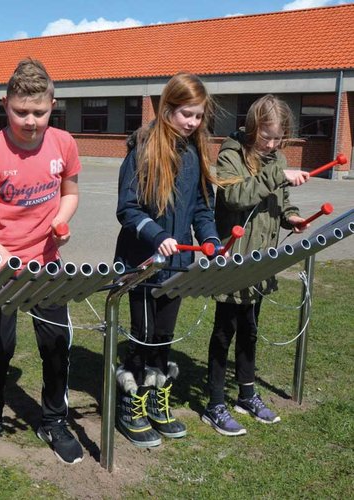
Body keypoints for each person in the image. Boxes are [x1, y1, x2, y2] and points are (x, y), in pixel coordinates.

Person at [0, 58, 83, 465]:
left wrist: (62, 220)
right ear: (5, 104)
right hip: (0, 270)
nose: (30, 121)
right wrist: (0, 254)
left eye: (39, 111)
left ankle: (54, 419)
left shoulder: (64, 143)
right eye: (20, 112)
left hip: (48, 265)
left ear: (53, 104)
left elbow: (70, 192)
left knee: (56, 346)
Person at [114, 73, 221, 447]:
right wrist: (158, 237)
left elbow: (201, 208)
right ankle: (132, 402)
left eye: (198, 116)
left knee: (162, 337)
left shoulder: (194, 153)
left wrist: (209, 238)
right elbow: (127, 209)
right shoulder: (142, 148)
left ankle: (157, 401)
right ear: (167, 109)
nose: (192, 123)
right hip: (141, 264)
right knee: (142, 336)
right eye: (186, 114)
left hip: (176, 268)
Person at [202, 94, 310, 437]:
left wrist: (291, 217)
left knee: (250, 329)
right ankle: (214, 402)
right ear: (252, 127)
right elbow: (234, 197)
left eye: (279, 138)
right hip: (234, 259)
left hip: (261, 260)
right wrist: (277, 175)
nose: (273, 143)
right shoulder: (231, 152)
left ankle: (246, 394)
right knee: (225, 331)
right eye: (267, 136)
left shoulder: (276, 157)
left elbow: (281, 199)